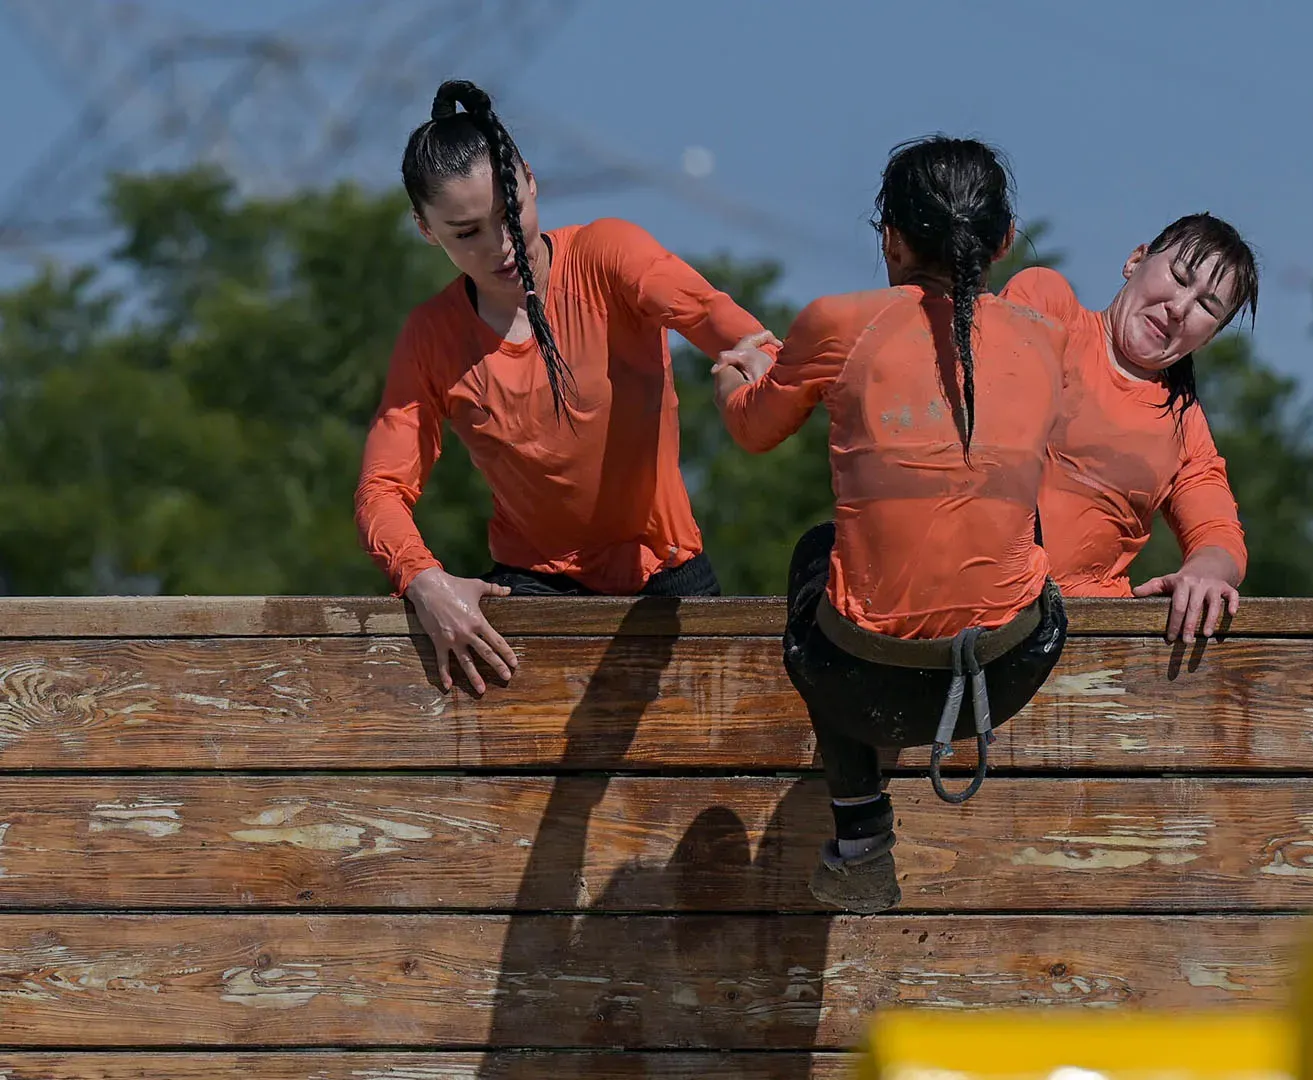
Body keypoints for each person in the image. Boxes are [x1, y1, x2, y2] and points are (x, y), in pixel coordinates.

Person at [712, 136, 1069, 914]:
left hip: (863, 682)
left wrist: (734, 377)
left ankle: (861, 830)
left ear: (891, 240)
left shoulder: (837, 323)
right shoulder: (1049, 339)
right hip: (1007, 674)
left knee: (819, 552)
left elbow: (752, 429)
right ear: (1003, 241)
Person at [355, 80, 780, 697]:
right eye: (467, 233)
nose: (501, 245)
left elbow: (724, 325)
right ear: (426, 230)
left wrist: (755, 368)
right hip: (533, 589)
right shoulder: (431, 336)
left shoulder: (609, 254)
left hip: (667, 573)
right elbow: (381, 490)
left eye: (509, 214)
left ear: (529, 179)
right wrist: (426, 582)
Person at [1001, 213, 1259, 644]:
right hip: (968, 603)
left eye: (1206, 307)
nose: (1179, 308)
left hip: (1083, 634)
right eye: (1178, 277)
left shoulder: (1185, 425)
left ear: (1209, 337)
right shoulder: (1049, 305)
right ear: (1135, 260)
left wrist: (1204, 575)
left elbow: (1219, 536)